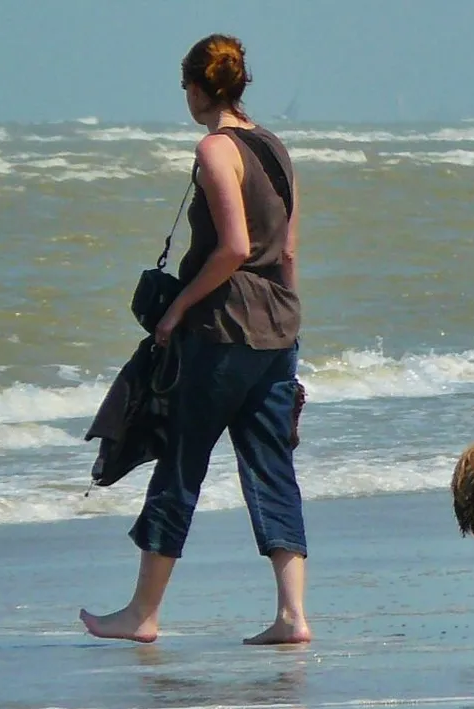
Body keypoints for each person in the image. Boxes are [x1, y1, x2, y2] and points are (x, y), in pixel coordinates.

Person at [80, 34, 309, 645]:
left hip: (223, 331)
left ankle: (141, 613)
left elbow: (233, 247)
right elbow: (284, 249)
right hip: (278, 327)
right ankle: (293, 616)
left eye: (186, 86)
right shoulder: (275, 147)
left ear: (199, 88)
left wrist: (177, 307)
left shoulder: (216, 149)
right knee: (272, 466)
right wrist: (290, 322)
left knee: (182, 463)